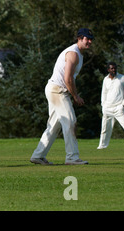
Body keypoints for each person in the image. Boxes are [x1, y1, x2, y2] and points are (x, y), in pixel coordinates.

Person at [30, 28, 94, 165]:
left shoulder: (79, 54)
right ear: (79, 38)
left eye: (90, 39)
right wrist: (76, 96)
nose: (89, 41)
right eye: (87, 39)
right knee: (70, 121)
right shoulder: (73, 54)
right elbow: (68, 78)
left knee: (54, 126)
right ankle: (72, 157)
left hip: (55, 89)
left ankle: (38, 155)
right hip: (57, 90)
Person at [97, 62, 124, 149]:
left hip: (119, 108)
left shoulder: (122, 78)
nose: (114, 70)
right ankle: (102, 146)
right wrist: (103, 105)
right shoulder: (106, 79)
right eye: (112, 68)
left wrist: (123, 104)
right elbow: (104, 93)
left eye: (115, 68)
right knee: (104, 129)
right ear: (108, 69)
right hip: (107, 108)